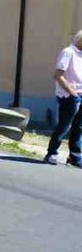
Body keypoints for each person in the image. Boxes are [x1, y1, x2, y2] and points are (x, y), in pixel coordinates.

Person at [44, 30, 82, 166]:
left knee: (79, 127)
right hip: (70, 96)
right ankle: (51, 153)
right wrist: (72, 92)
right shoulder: (68, 52)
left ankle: (75, 157)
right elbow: (58, 75)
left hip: (80, 95)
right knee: (65, 126)